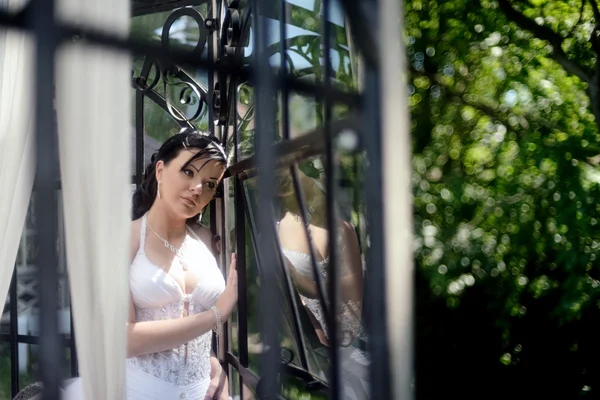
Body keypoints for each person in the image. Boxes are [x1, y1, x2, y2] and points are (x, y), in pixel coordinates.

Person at [61, 130, 238, 400]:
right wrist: (217, 314)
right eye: (188, 172)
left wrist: (215, 368)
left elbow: (188, 323)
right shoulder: (123, 240)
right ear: (160, 170)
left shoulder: (204, 239)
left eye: (210, 183)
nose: (198, 189)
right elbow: (125, 340)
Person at [275, 167, 370, 400]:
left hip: (365, 338)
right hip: (325, 350)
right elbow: (296, 303)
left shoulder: (339, 225)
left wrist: (301, 281)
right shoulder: (276, 233)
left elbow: (353, 288)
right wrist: (317, 339)